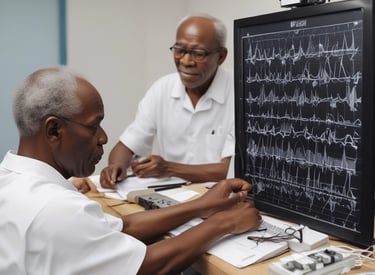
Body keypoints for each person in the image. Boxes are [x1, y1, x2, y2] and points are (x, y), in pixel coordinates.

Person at [0, 67, 261, 275]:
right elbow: (148, 267)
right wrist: (224, 223)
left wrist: (201, 205)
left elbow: (121, 227)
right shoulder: (54, 208)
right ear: (54, 130)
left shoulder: (13, 180)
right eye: (94, 127)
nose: (103, 138)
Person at [100, 13, 235, 190]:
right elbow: (126, 146)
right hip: (173, 193)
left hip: (223, 196)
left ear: (221, 56)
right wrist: (115, 167)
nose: (186, 61)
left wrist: (169, 168)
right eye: (180, 50)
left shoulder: (240, 94)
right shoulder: (162, 89)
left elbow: (232, 169)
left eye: (198, 53)